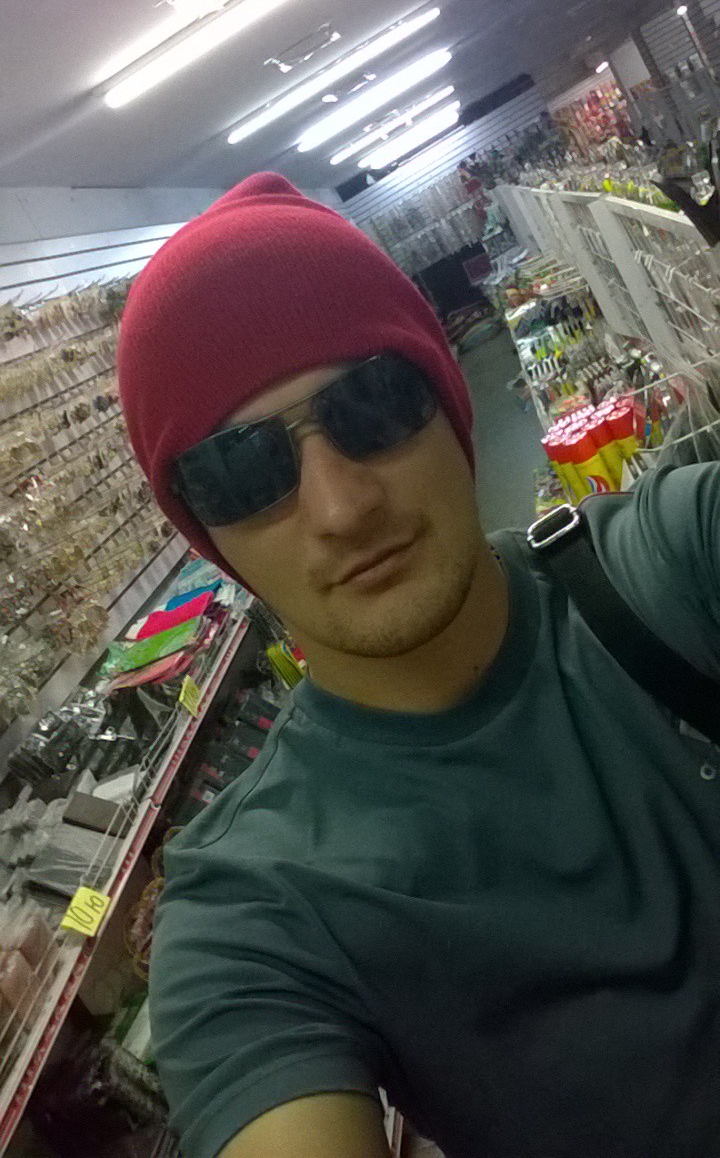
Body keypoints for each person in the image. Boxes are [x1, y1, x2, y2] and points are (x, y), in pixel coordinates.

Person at [117, 173, 720, 1158]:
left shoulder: (676, 559)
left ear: (447, 398)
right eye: (242, 471)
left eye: (373, 404)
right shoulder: (254, 911)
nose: (342, 506)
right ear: (208, 532)